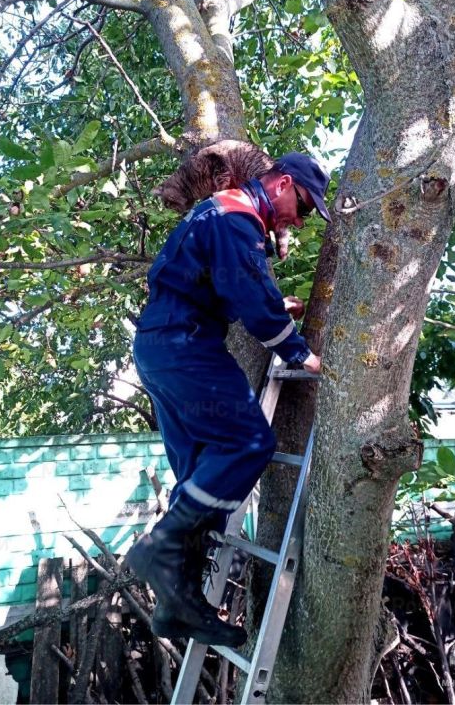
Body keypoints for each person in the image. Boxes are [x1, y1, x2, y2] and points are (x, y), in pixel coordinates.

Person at [127, 151, 330, 647]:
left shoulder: (222, 214)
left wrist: (268, 302)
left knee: (200, 468)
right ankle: (160, 548)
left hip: (163, 345)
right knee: (247, 444)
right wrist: (299, 351)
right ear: (282, 184)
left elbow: (227, 286)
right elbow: (247, 292)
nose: (298, 221)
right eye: (301, 207)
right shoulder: (236, 216)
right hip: (184, 345)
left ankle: (179, 603)